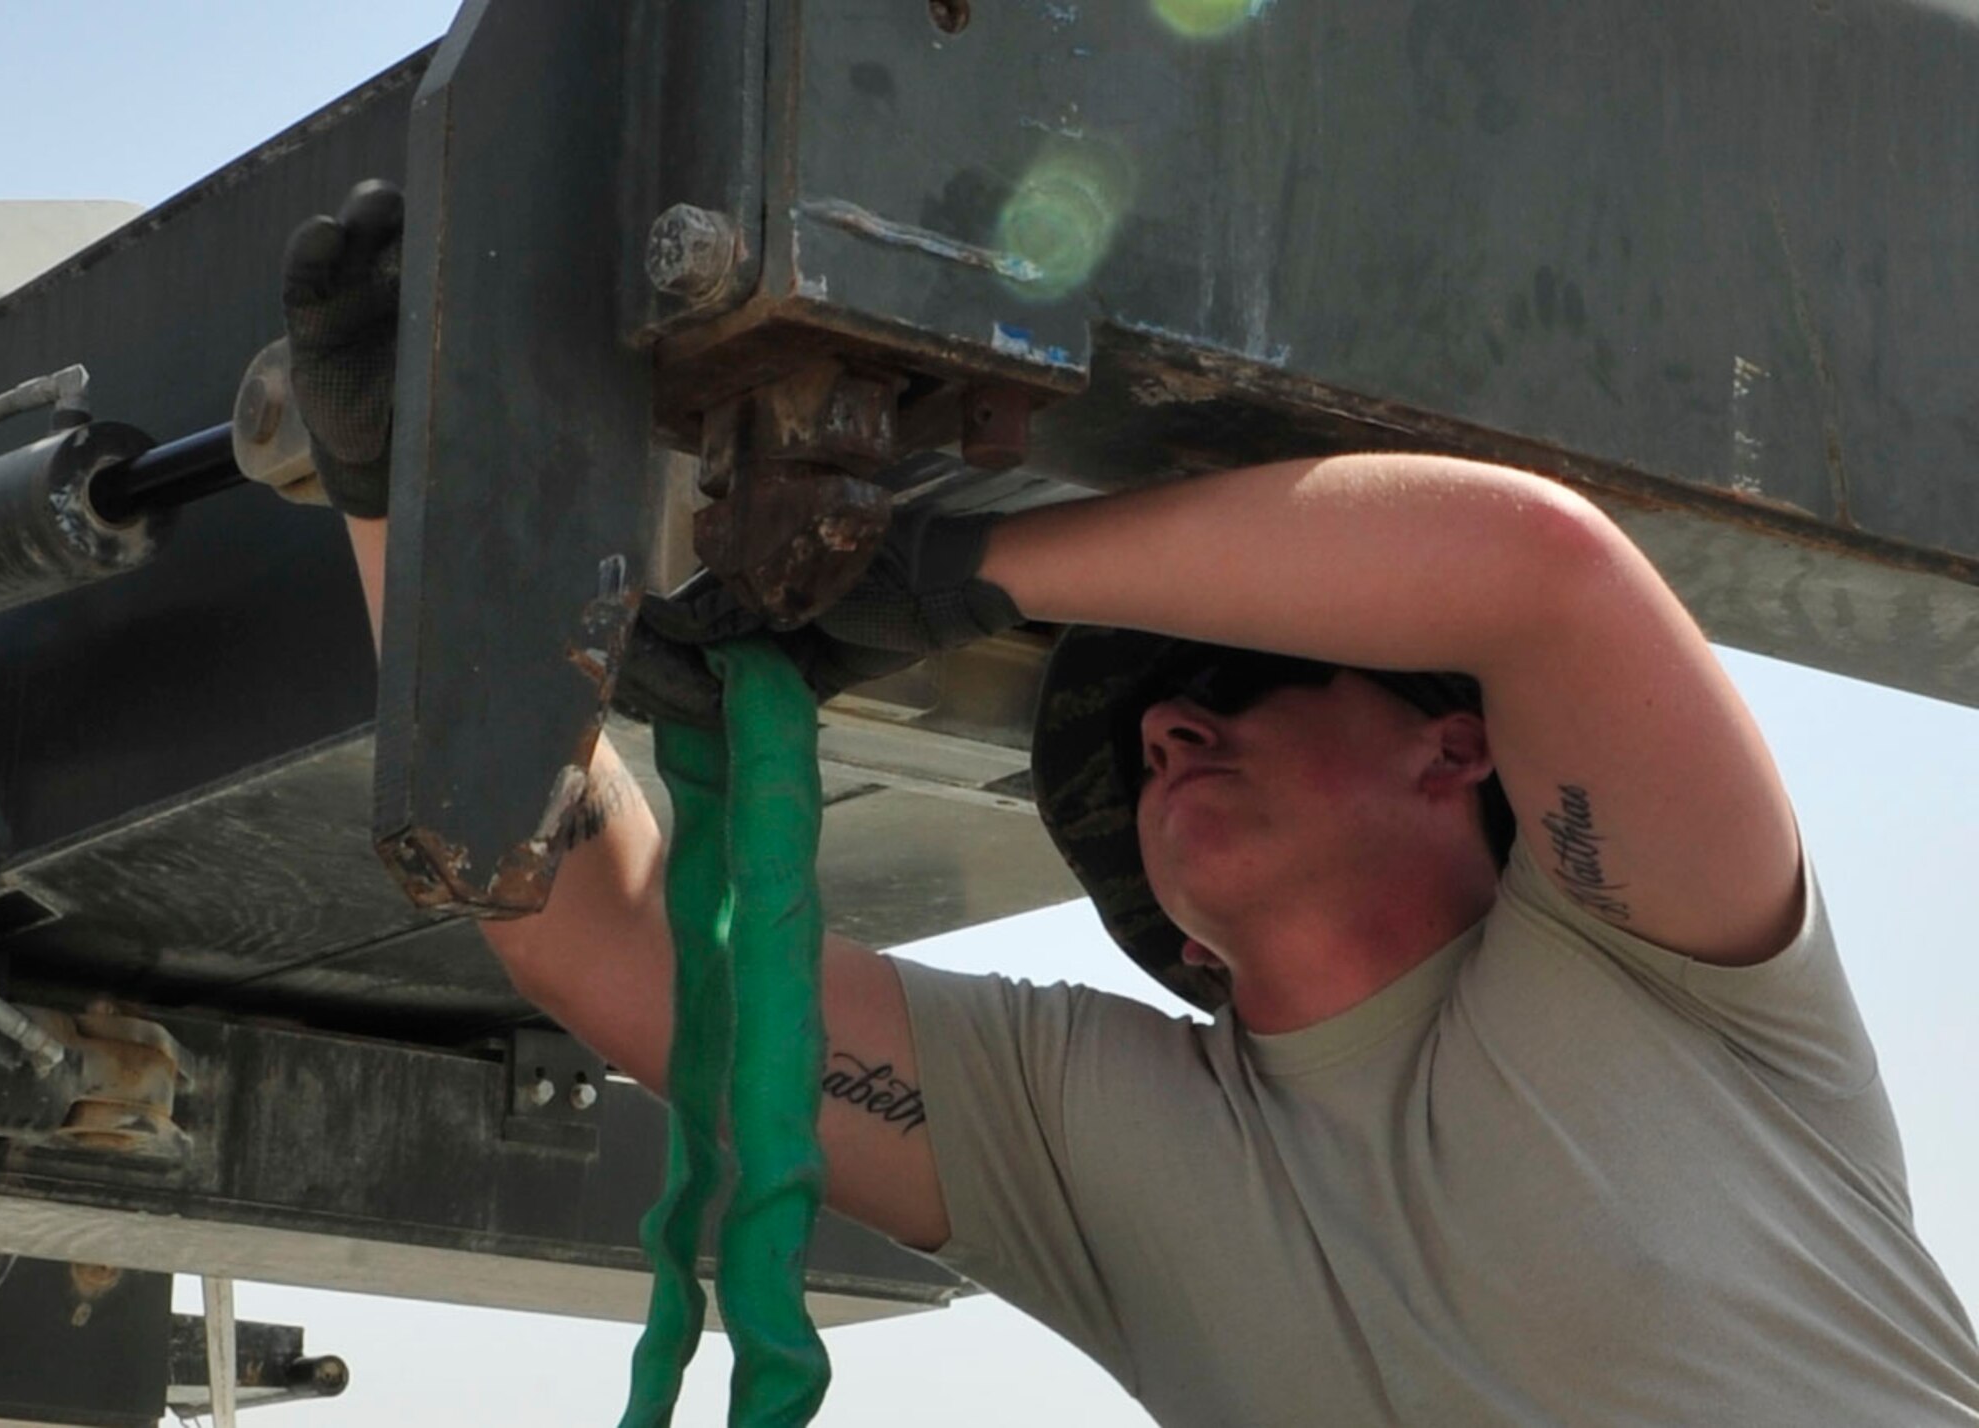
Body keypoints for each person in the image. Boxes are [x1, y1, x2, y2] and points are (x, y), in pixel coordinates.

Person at [282, 184, 1979, 1426]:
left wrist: (945, 571)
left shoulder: (1662, 969)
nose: (1170, 730)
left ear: (1458, 749)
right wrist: (409, 493)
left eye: (1233, 679)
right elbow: (613, 950)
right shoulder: (1097, 1145)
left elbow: (1538, 571)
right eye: (1141, 737)